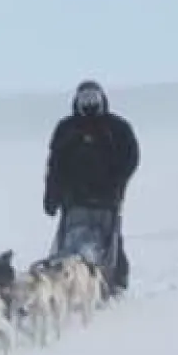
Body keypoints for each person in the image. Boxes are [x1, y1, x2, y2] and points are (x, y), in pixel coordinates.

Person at [42, 80, 140, 293]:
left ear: (102, 99)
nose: (89, 103)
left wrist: (118, 180)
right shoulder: (66, 129)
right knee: (69, 242)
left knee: (109, 243)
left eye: (93, 98)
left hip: (107, 198)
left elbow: (131, 157)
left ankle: (114, 282)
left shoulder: (117, 128)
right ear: (76, 101)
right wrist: (51, 196)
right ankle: (65, 283)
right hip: (73, 199)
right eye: (84, 99)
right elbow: (55, 164)